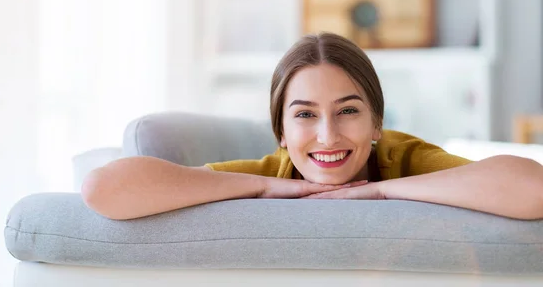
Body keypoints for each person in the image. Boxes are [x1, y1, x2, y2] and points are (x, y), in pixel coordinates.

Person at [82, 32, 543, 220]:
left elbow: (534, 188)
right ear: (281, 132)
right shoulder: (269, 172)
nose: (327, 136)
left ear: (377, 122)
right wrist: (260, 189)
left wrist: (383, 190)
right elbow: (101, 188)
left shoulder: (402, 158)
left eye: (348, 111)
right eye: (304, 114)